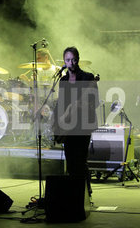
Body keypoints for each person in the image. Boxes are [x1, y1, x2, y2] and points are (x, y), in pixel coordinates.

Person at [52, 46, 99, 196]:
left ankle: (86, 192)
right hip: (68, 125)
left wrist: (81, 105)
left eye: (73, 59)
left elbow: (95, 102)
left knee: (80, 160)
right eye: (67, 60)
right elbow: (61, 103)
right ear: (64, 61)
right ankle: (74, 193)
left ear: (78, 59)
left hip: (83, 125)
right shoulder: (63, 80)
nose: (70, 62)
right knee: (70, 161)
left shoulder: (88, 78)